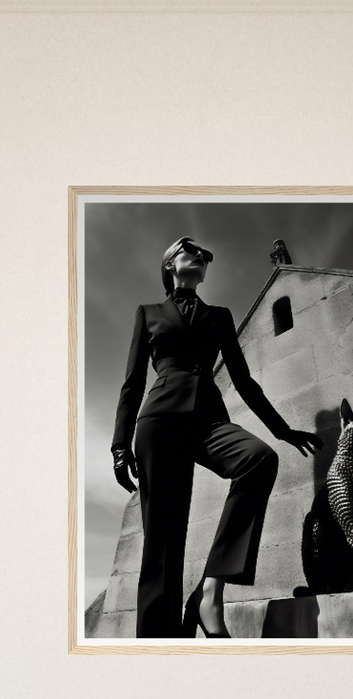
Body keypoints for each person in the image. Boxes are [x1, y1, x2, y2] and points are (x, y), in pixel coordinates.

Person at [110, 236, 319, 638]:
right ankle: (160, 648)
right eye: (192, 253)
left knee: (259, 459)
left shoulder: (220, 316)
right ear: (170, 264)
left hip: (208, 421)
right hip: (158, 423)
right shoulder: (149, 313)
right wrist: (120, 445)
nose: (202, 259)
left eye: (206, 257)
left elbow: (243, 380)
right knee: (162, 541)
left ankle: (210, 590)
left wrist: (281, 429)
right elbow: (132, 384)